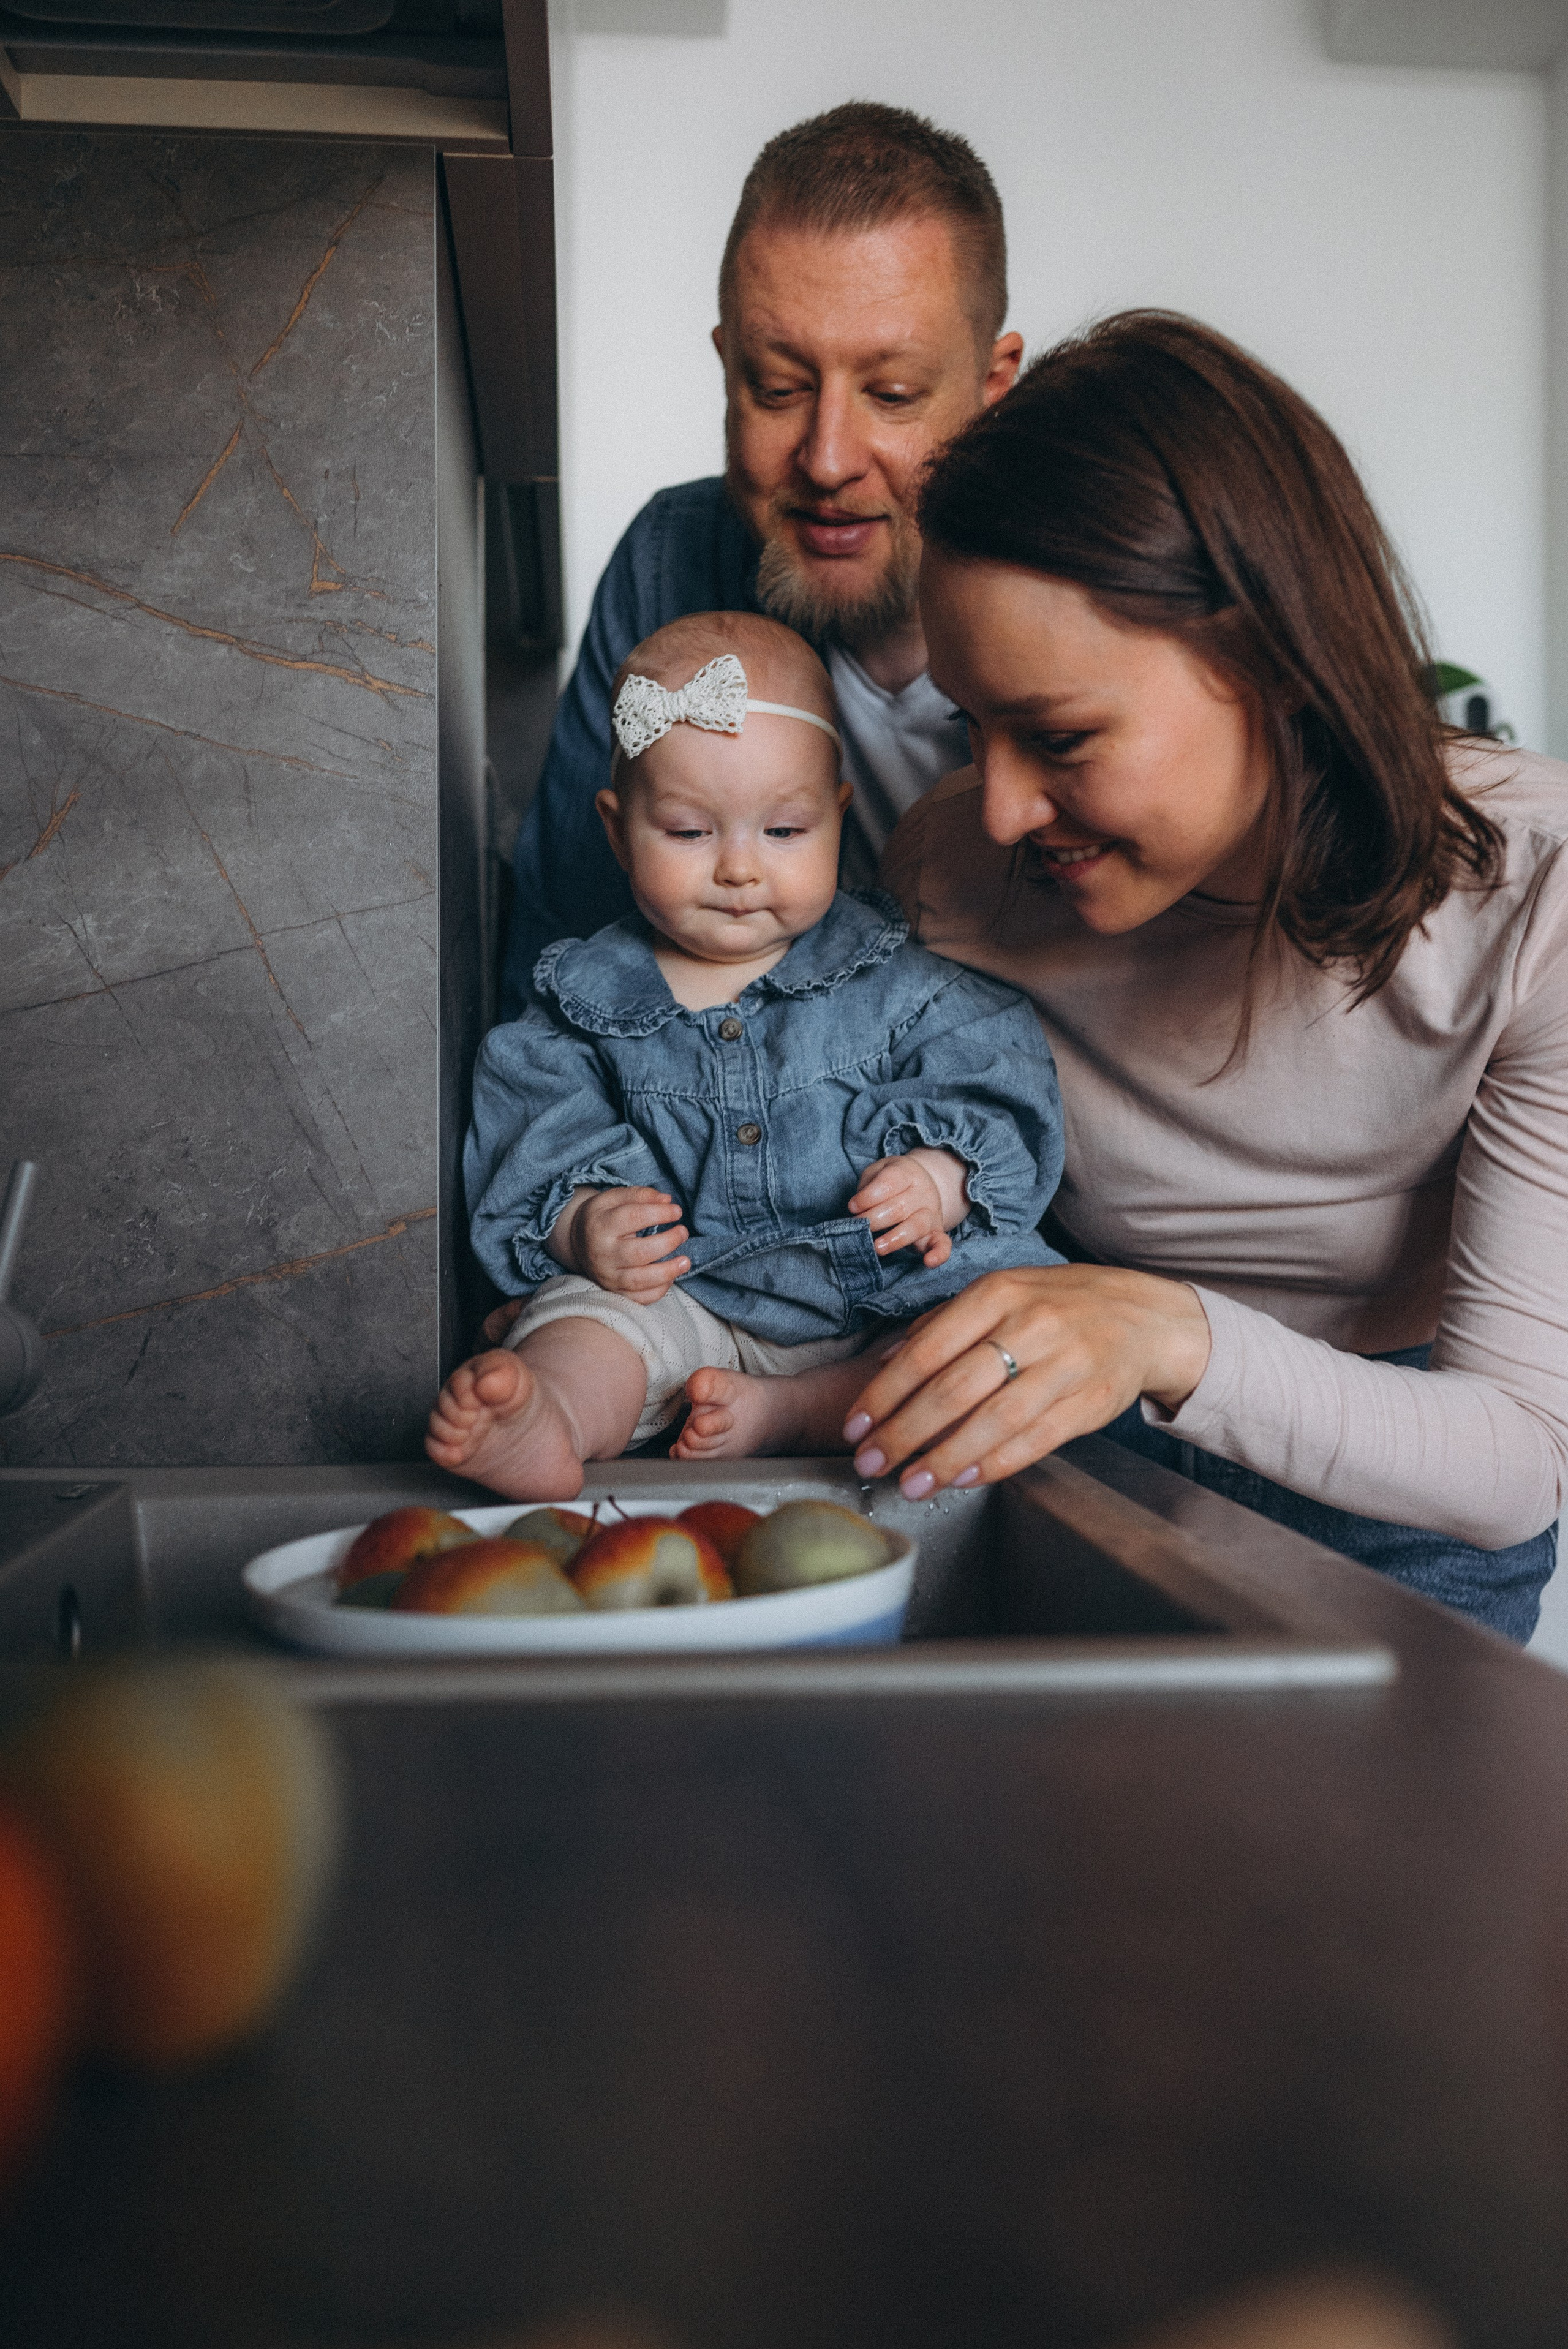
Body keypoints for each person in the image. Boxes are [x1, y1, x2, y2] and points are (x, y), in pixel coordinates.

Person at [843, 311, 1568, 1640]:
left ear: (1275, 662)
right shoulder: (946, 868)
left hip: (1405, 1506)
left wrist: (1165, 1334)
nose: (998, 808)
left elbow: (1515, 1458)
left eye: (1060, 737)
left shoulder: (1535, 891)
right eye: (971, 726)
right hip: (1064, 1450)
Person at [429, 613, 1063, 1499]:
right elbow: (534, 1135)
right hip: (693, 1301)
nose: (738, 869)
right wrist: (582, 1222)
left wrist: (939, 1179)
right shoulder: (583, 1006)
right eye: (690, 833)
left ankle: (796, 1409)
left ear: (837, 816)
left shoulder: (901, 984)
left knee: (1000, 1328)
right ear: (618, 831)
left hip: (889, 1297)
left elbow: (999, 1090)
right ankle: (552, 1415)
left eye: (785, 832)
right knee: (583, 1321)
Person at [498, 100, 1023, 1017]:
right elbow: (561, 973)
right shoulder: (669, 564)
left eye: (893, 393)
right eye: (778, 388)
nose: (827, 460)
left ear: (994, 389)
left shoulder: (1084, 586)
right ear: (727, 366)